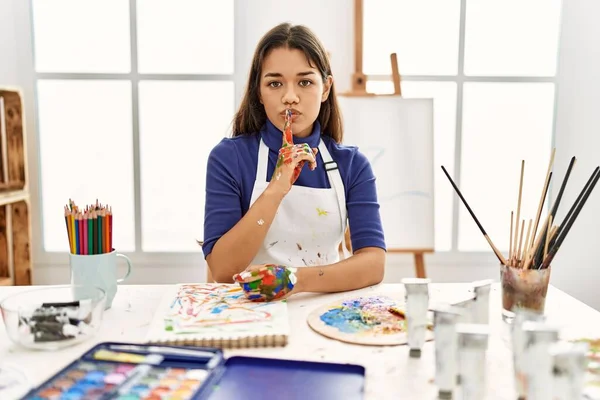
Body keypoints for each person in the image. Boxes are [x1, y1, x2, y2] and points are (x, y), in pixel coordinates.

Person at [203, 22, 386, 299]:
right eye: (275, 83)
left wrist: (294, 279)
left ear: (325, 89)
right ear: (259, 92)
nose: (290, 97)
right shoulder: (229, 158)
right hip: (248, 314)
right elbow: (223, 270)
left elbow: (373, 264)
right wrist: (276, 188)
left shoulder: (352, 165)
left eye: (305, 82)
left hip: (322, 311)